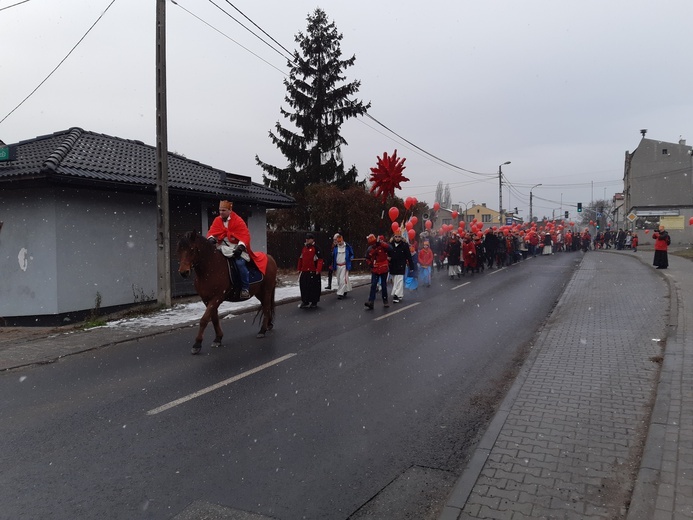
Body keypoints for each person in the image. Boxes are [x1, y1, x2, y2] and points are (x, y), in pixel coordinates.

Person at [207, 199, 263, 299]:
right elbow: (212, 232)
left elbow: (245, 235)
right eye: (220, 210)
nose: (221, 212)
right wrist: (211, 239)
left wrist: (240, 247)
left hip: (236, 247)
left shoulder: (238, 220)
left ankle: (245, 289)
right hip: (221, 247)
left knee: (240, 264)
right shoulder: (217, 220)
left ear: (229, 210)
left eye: (223, 210)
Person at [364, 234, 392, 309]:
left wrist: (381, 244)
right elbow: (367, 258)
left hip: (383, 268)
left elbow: (390, 248)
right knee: (373, 285)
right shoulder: (370, 249)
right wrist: (370, 264)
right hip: (376, 268)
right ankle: (371, 301)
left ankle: (385, 300)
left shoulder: (382, 246)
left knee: (383, 285)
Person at [389, 229, 415, 303]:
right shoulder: (391, 245)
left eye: (399, 237)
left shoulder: (404, 245)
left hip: (401, 265)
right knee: (395, 281)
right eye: (396, 237)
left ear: (401, 237)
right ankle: (398, 294)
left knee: (399, 280)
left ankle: (396, 295)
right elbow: (387, 254)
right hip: (393, 265)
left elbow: (408, 256)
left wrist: (411, 266)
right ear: (394, 237)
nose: (397, 238)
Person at [297, 233, 323, 308]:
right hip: (305, 271)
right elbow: (301, 259)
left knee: (313, 287)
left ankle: (314, 301)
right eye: (306, 239)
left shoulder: (316, 248)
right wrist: (299, 268)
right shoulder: (304, 248)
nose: (307, 240)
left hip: (313, 271)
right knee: (304, 286)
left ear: (312, 240)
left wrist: (318, 269)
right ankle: (305, 301)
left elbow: (320, 260)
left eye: (309, 239)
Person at [331, 233, 354, 299]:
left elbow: (351, 254)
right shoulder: (335, 248)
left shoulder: (347, 247)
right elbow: (333, 257)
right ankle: (344, 290)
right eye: (338, 242)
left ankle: (340, 293)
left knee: (342, 279)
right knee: (339, 279)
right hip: (337, 266)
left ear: (342, 240)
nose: (339, 243)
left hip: (344, 265)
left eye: (340, 241)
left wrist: (351, 258)